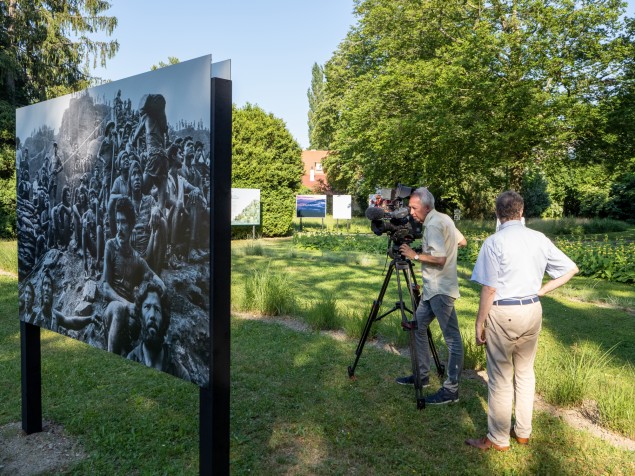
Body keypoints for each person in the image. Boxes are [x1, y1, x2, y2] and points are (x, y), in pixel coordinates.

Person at [466, 191, 578, 451]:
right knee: (525, 373)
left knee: (501, 377)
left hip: (504, 311)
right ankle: (523, 432)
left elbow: (489, 288)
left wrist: (479, 322)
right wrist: (543, 291)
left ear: (497, 213)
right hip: (532, 309)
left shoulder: (494, 242)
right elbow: (571, 269)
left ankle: (498, 437)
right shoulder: (538, 238)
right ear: (521, 211)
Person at [396, 187, 465, 405]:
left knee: (453, 340)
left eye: (414, 208)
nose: (411, 212)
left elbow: (441, 259)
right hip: (431, 290)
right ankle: (422, 375)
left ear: (426, 207)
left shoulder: (434, 223)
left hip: (440, 290)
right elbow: (461, 241)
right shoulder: (444, 219)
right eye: (410, 207)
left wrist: (414, 254)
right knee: (418, 326)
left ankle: (451, 389)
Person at [102, 196, 165, 356]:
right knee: (119, 309)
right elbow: (105, 287)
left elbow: (154, 277)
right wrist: (127, 304)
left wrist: (162, 288)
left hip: (129, 316)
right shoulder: (110, 246)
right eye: (118, 222)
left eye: (124, 222)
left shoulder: (137, 259)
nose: (120, 228)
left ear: (131, 226)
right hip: (111, 310)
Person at [127, 280, 189, 380]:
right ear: (140, 316)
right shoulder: (130, 361)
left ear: (164, 320)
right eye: (147, 307)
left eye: (157, 309)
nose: (152, 315)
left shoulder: (179, 373)